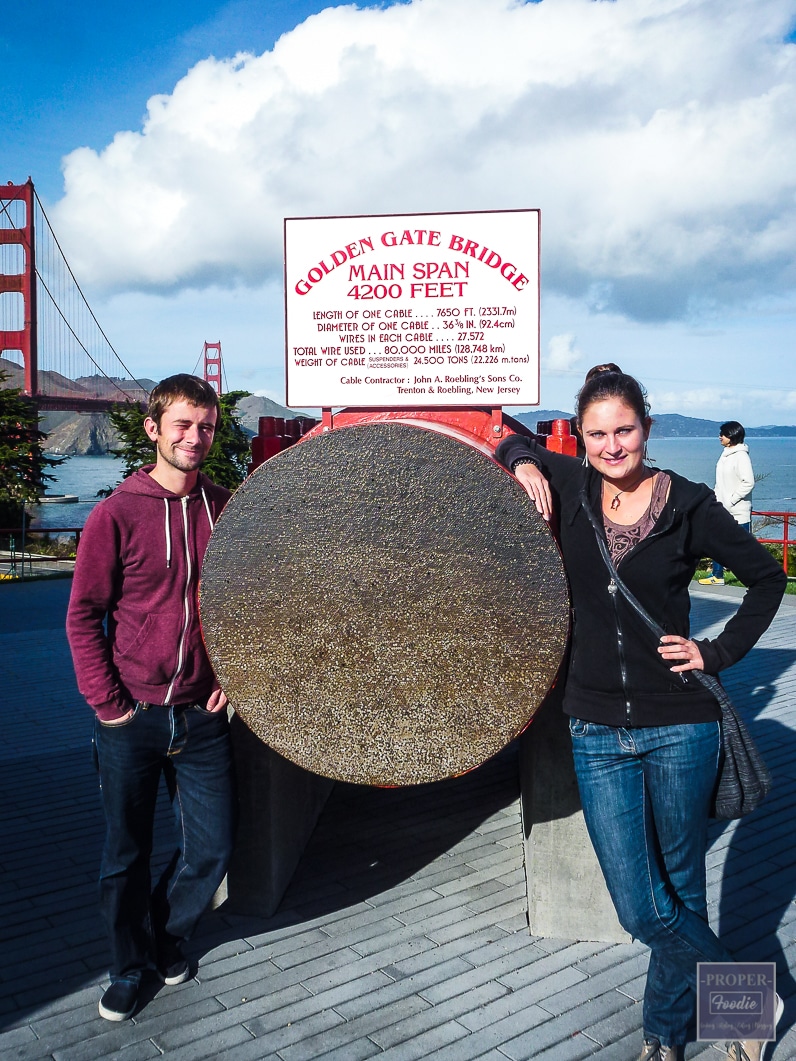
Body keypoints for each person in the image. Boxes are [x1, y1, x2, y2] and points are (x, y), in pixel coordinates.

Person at [496, 367, 786, 1061]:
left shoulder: (689, 504)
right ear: (583, 440)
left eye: (624, 429)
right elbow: (501, 434)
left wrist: (714, 653)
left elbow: (768, 577)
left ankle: (663, 1035)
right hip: (595, 728)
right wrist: (524, 460)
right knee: (639, 902)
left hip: (682, 724)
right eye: (596, 434)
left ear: (647, 430)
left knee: (681, 884)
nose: (611, 444)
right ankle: (749, 994)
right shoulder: (572, 488)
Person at [66, 374, 236, 1022]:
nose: (196, 438)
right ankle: (127, 966)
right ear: (153, 429)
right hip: (130, 716)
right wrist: (109, 704)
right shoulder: (116, 513)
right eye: (183, 425)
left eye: (207, 426)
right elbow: (83, 615)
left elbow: (246, 603)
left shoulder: (225, 508)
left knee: (214, 847)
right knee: (124, 855)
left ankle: (162, 936)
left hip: (202, 716)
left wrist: (233, 673)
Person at [699, 420, 755, 586]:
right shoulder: (725, 455)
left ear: (731, 436)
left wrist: (731, 500)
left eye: (722, 434)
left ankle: (755, 577)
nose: (719, 437)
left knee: (742, 547)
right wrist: (716, 500)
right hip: (722, 508)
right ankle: (718, 575)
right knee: (716, 542)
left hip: (738, 511)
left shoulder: (741, 456)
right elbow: (720, 482)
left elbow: (748, 482)